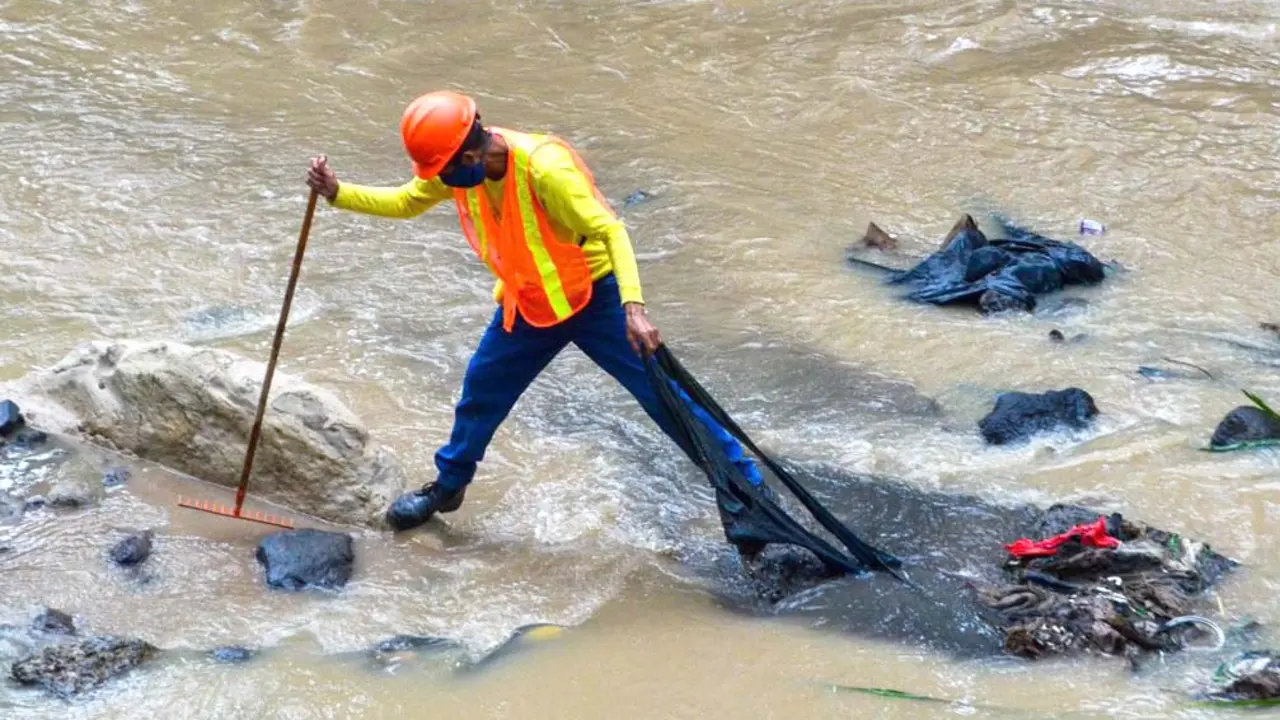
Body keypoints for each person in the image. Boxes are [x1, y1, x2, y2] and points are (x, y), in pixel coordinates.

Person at [306, 90, 765, 531]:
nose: (437, 181)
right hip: (528, 304)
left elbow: (612, 230)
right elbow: (407, 200)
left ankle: (749, 492)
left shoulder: (546, 170)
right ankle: (448, 487)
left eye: (441, 171)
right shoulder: (459, 164)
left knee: (666, 401)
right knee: (481, 391)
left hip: (595, 299)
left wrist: (634, 308)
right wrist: (337, 192)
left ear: (468, 156)